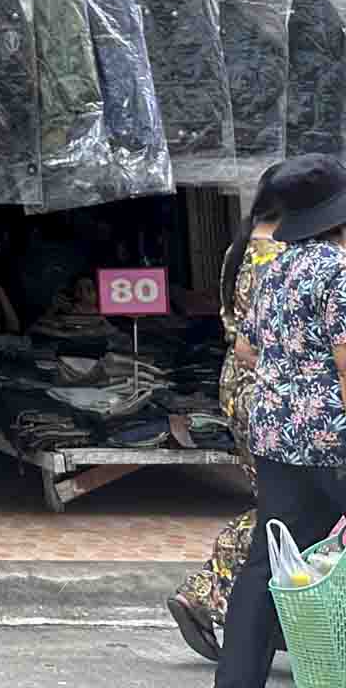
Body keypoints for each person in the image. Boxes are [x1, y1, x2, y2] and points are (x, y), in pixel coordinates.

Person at [214, 154, 346, 688]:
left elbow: (246, 350)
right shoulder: (338, 272)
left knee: (265, 565)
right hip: (332, 441)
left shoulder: (276, 267)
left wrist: (289, 371)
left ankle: (237, 679)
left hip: (275, 437)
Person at [171, 184, 288, 661]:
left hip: (241, 385)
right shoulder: (280, 254)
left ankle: (233, 602)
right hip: (271, 388)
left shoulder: (243, 245)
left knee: (281, 503)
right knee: (286, 505)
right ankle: (209, 591)